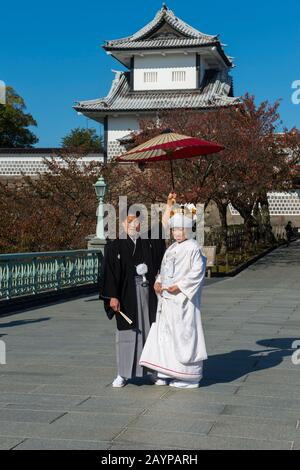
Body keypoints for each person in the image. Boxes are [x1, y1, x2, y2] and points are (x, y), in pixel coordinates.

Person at [99, 196, 175, 388]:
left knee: (151, 331)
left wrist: (169, 207)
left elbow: (162, 227)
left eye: (137, 222)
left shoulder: (148, 242)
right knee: (126, 334)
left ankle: (153, 371)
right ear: (123, 224)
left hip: (147, 293)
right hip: (125, 295)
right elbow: (109, 274)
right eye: (130, 221)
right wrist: (112, 297)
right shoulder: (114, 246)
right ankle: (122, 374)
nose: (134, 225)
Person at [139, 209, 208, 389]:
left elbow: (197, 272)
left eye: (180, 230)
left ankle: (189, 376)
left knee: (183, 334)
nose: (176, 233)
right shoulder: (171, 248)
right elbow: (164, 269)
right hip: (167, 299)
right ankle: (164, 371)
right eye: (174, 230)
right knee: (166, 334)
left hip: (183, 300)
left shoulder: (193, 247)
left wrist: (181, 286)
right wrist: (159, 281)